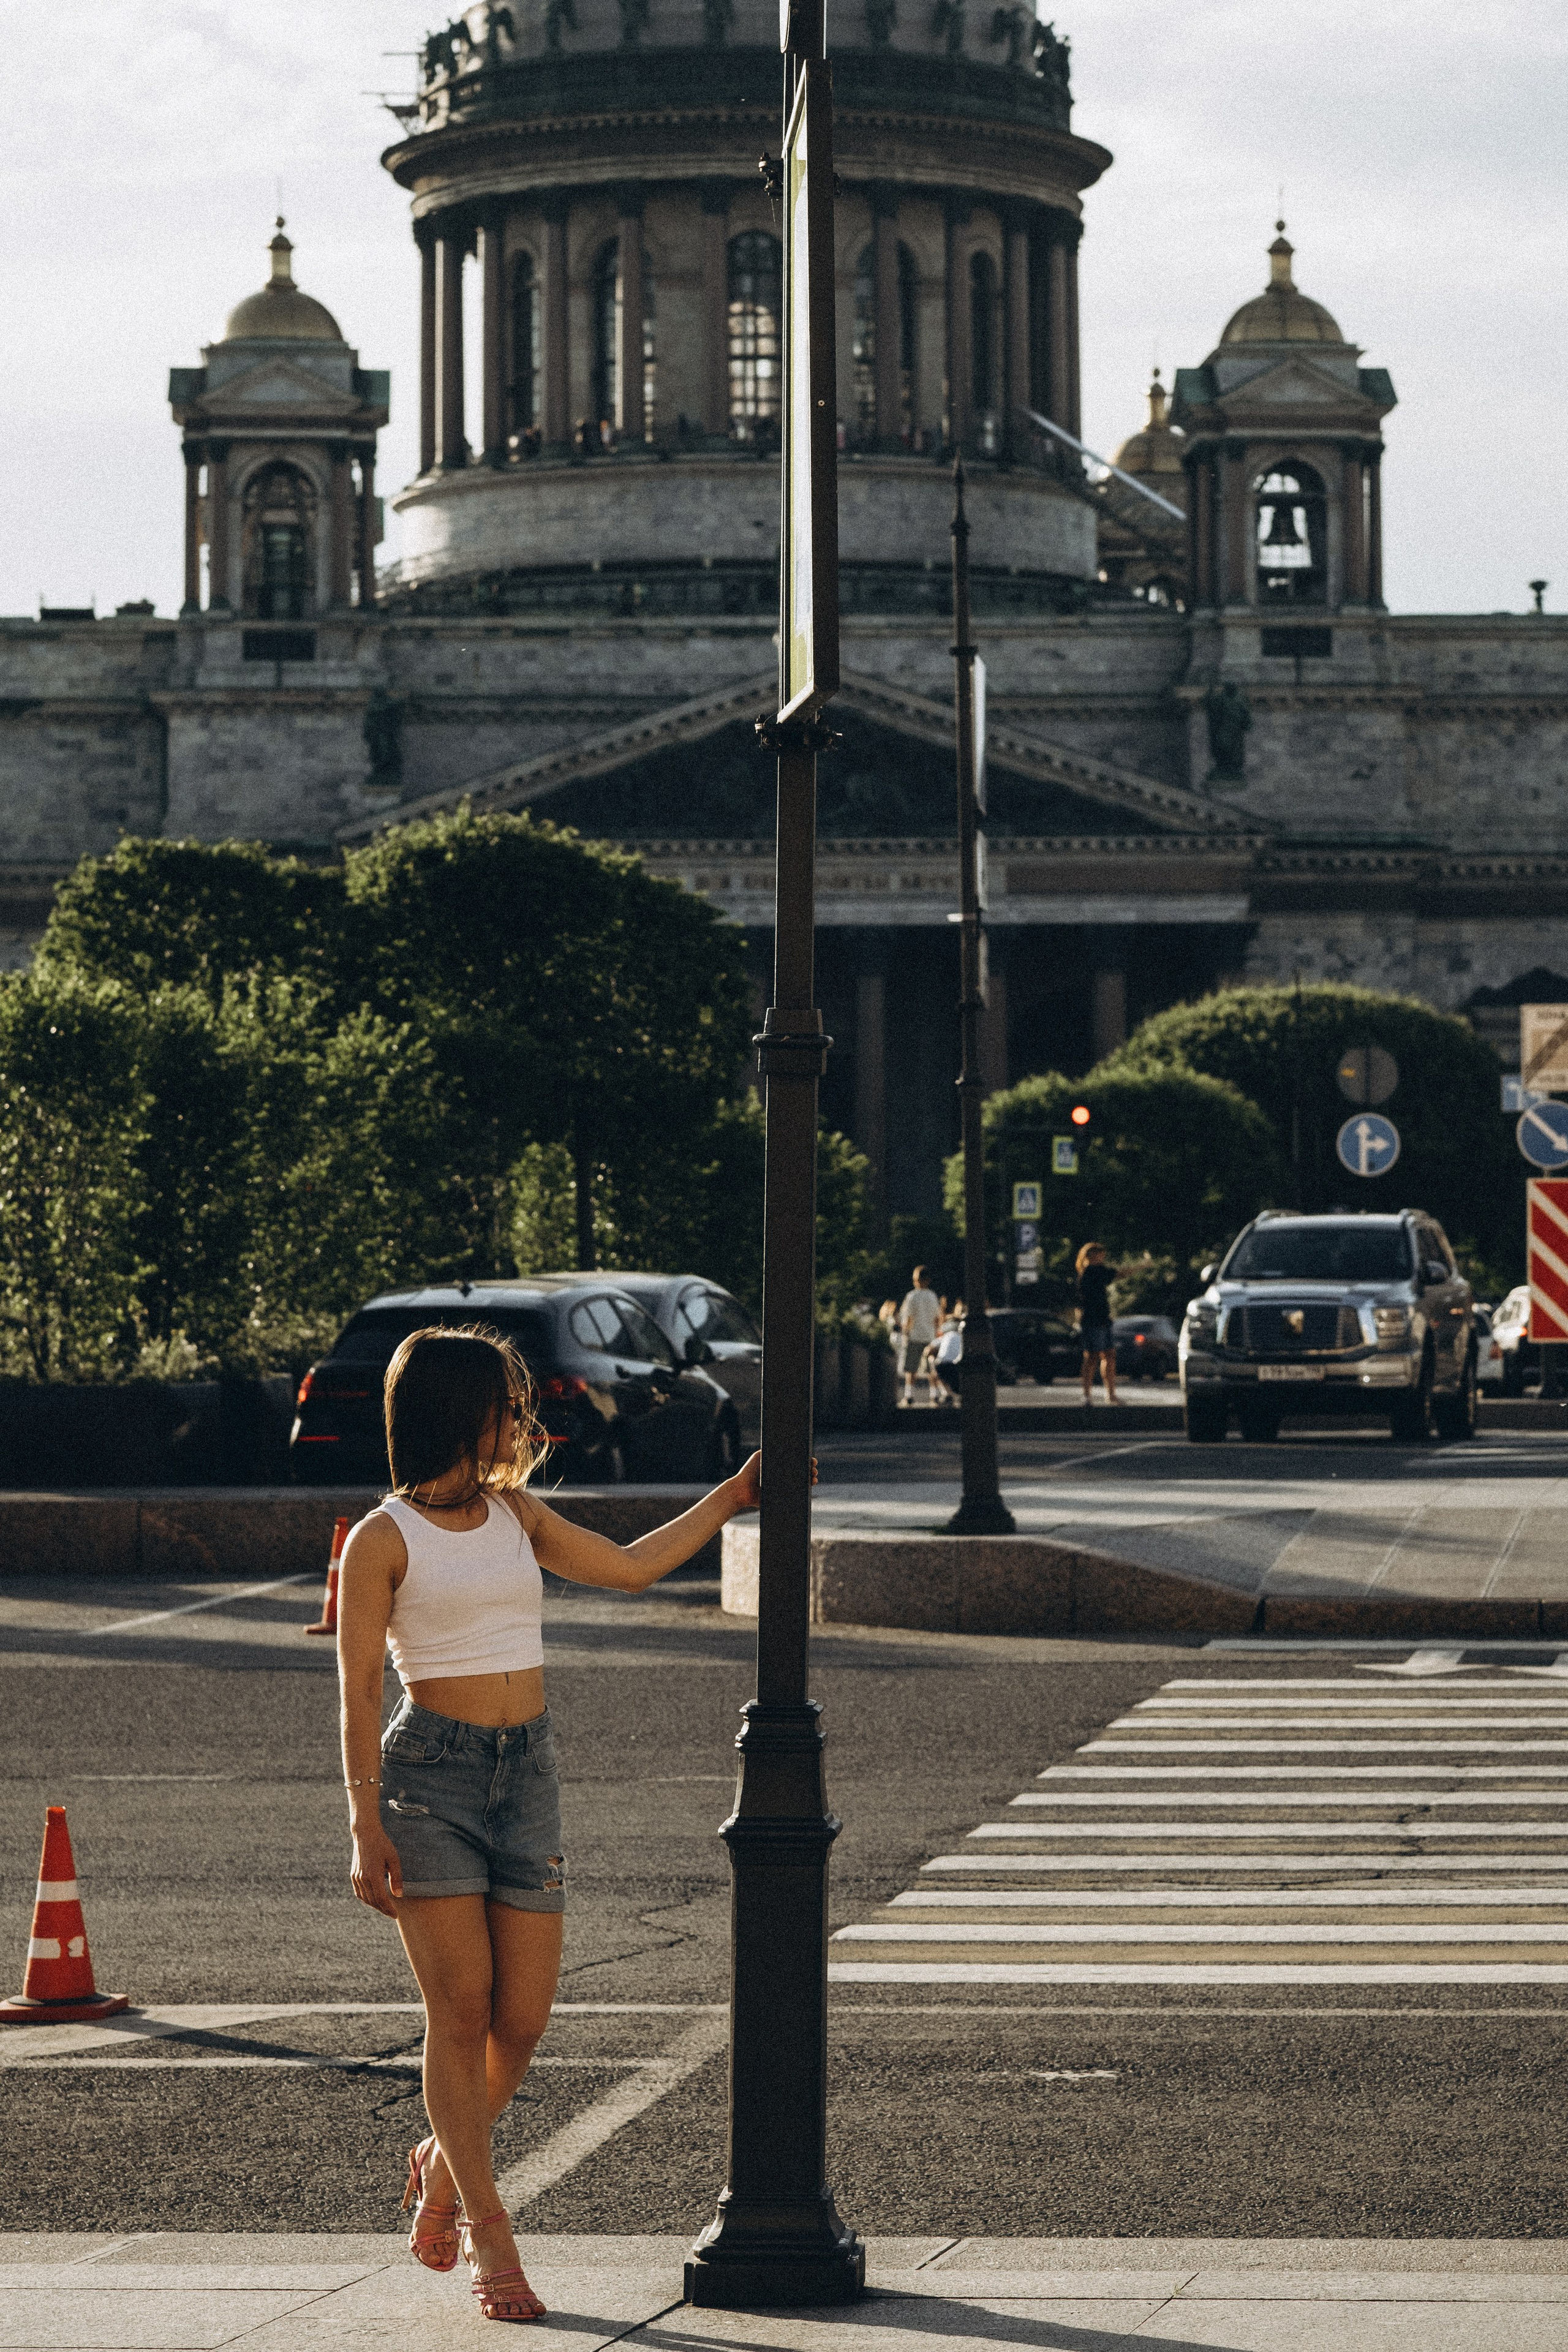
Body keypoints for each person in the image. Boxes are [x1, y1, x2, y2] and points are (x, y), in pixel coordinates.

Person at [337, 1325, 764, 2325]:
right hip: (427, 1783)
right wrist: (364, 1821)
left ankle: (444, 2165)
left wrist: (733, 1495)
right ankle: (492, 2232)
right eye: (506, 1402)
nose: (521, 1419)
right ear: (459, 1412)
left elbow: (628, 1568)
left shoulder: (515, 1514)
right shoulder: (382, 1538)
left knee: (522, 2022)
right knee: (462, 2012)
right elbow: (357, 1688)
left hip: (525, 1774)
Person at [1076, 1241, 1119, 1403]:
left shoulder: (1094, 1272)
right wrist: (1140, 1267)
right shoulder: (1090, 1273)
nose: (1102, 1258)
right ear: (1091, 1256)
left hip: (1102, 1319)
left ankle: (1110, 1394)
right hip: (1093, 1321)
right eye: (1100, 1255)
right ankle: (1087, 1394)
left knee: (1109, 1355)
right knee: (1092, 1356)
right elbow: (1117, 1274)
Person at [898, 1267, 942, 1406]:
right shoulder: (933, 1296)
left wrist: (906, 1332)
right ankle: (934, 1396)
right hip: (929, 1336)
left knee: (911, 1368)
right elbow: (937, 1318)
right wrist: (936, 1333)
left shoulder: (912, 1296)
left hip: (914, 1335)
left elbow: (909, 1318)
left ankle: (909, 1395)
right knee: (932, 1369)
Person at [933, 1299, 965, 1406]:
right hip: (960, 1366)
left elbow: (929, 1350)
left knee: (932, 1363)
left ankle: (947, 1394)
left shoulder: (946, 1336)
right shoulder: (963, 1336)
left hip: (943, 1365)